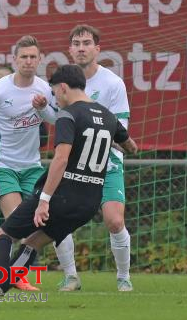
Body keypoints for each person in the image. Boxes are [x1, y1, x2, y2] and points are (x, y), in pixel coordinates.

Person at [0, 64, 138, 308]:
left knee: (4, 234)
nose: (55, 99)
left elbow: (61, 159)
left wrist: (44, 199)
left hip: (61, 196)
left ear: (63, 88)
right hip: (87, 204)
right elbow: (131, 147)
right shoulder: (108, 116)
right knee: (32, 243)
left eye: (55, 93)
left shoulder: (68, 114)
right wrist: (108, 143)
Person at [51, 25, 134, 292]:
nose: (81, 47)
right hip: (73, 165)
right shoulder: (62, 82)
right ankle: (71, 276)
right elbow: (60, 122)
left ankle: (123, 277)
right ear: (70, 49)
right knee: (59, 218)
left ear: (98, 49)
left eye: (87, 43)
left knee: (114, 220)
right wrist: (43, 110)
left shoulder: (112, 83)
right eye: (76, 43)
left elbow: (122, 132)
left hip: (106, 163)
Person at [0, 36, 58, 291]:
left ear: (40, 59)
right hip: (3, 165)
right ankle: (4, 277)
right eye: (24, 57)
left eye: (33, 57)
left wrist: (43, 109)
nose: (29, 61)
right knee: (16, 221)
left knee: (39, 223)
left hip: (32, 167)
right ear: (14, 59)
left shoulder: (44, 89)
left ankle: (6, 274)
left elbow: (55, 119)